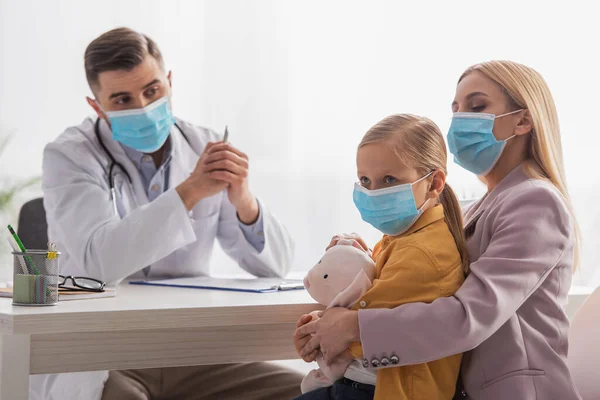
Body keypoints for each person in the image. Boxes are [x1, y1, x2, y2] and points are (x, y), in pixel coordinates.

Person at [36, 27, 301, 400]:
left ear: (170, 82)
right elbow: (100, 264)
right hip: (104, 351)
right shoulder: (70, 156)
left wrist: (244, 201)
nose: (142, 107)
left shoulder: (204, 144)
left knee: (304, 391)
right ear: (96, 106)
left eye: (152, 90)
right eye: (122, 99)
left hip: (187, 348)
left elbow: (275, 267)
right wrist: (190, 191)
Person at [294, 60, 582, 400]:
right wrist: (367, 260)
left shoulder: (535, 202)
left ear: (523, 120)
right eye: (456, 110)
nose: (460, 121)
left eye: (476, 107)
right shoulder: (479, 205)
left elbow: (469, 316)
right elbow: (429, 283)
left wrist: (353, 328)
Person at [294, 114, 467, 400]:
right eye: (365, 180)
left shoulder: (421, 251)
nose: (373, 193)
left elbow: (358, 328)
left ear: (434, 183)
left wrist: (318, 332)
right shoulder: (407, 236)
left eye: (389, 179)